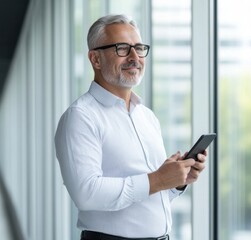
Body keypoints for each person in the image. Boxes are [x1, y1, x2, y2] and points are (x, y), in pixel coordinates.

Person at [54, 14, 207, 240]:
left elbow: (146, 196)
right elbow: (86, 194)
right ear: (95, 59)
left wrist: (176, 181)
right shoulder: (80, 117)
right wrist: (157, 179)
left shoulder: (147, 117)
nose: (134, 57)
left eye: (138, 48)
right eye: (122, 48)